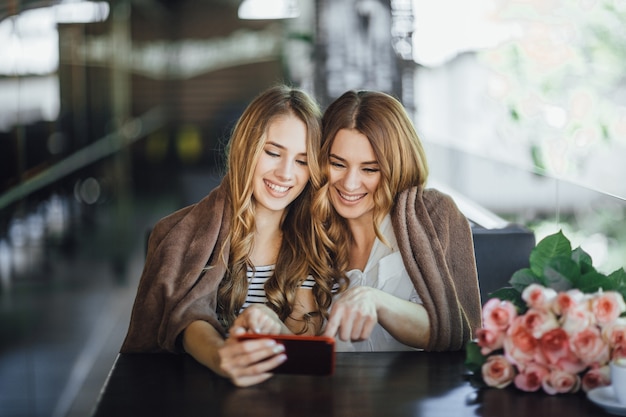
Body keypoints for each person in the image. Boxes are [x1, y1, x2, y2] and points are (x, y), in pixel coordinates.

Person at [120, 85, 340, 387]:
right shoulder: (179, 233)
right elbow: (186, 316)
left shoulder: (313, 239)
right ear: (246, 148)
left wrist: (271, 325)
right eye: (273, 152)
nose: (285, 173)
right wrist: (221, 354)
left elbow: (303, 349)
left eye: (302, 161)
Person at [314, 90, 482, 351]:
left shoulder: (431, 213)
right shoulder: (313, 227)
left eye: (370, 169)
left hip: (418, 390)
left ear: (397, 166)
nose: (349, 183)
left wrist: (375, 300)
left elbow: (457, 331)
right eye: (337, 164)